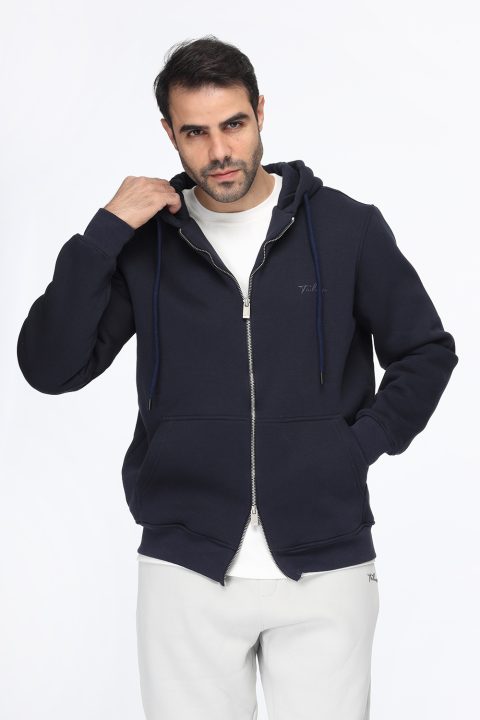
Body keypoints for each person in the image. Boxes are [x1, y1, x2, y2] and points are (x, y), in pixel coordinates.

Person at [17, 34, 459, 720]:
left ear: (260, 113)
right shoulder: (145, 242)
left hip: (326, 564)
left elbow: (425, 351)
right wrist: (104, 233)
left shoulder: (346, 229)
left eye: (234, 124)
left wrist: (354, 447)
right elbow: (50, 367)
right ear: (169, 133)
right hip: (186, 569)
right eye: (195, 133)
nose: (220, 151)